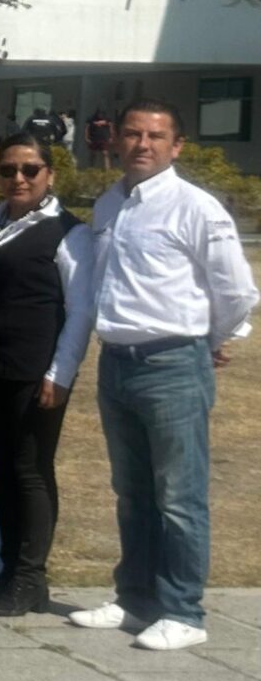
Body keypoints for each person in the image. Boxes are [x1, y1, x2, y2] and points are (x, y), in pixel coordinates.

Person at [68, 99, 258, 652]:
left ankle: (183, 610)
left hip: (173, 363)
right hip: (117, 363)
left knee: (179, 495)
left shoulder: (195, 208)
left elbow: (236, 290)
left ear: (177, 147)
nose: (142, 144)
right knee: (131, 491)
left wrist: (216, 339)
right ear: (116, 141)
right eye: (132, 134)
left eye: (155, 136)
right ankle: (134, 599)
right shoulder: (109, 205)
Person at [0, 134, 96, 619]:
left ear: (50, 174)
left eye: (30, 169)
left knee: (32, 471)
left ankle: (31, 577)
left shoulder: (69, 232)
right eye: (8, 170)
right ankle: (9, 570)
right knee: (4, 469)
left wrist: (60, 373)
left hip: (36, 370)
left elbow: (81, 310)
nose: (18, 179)